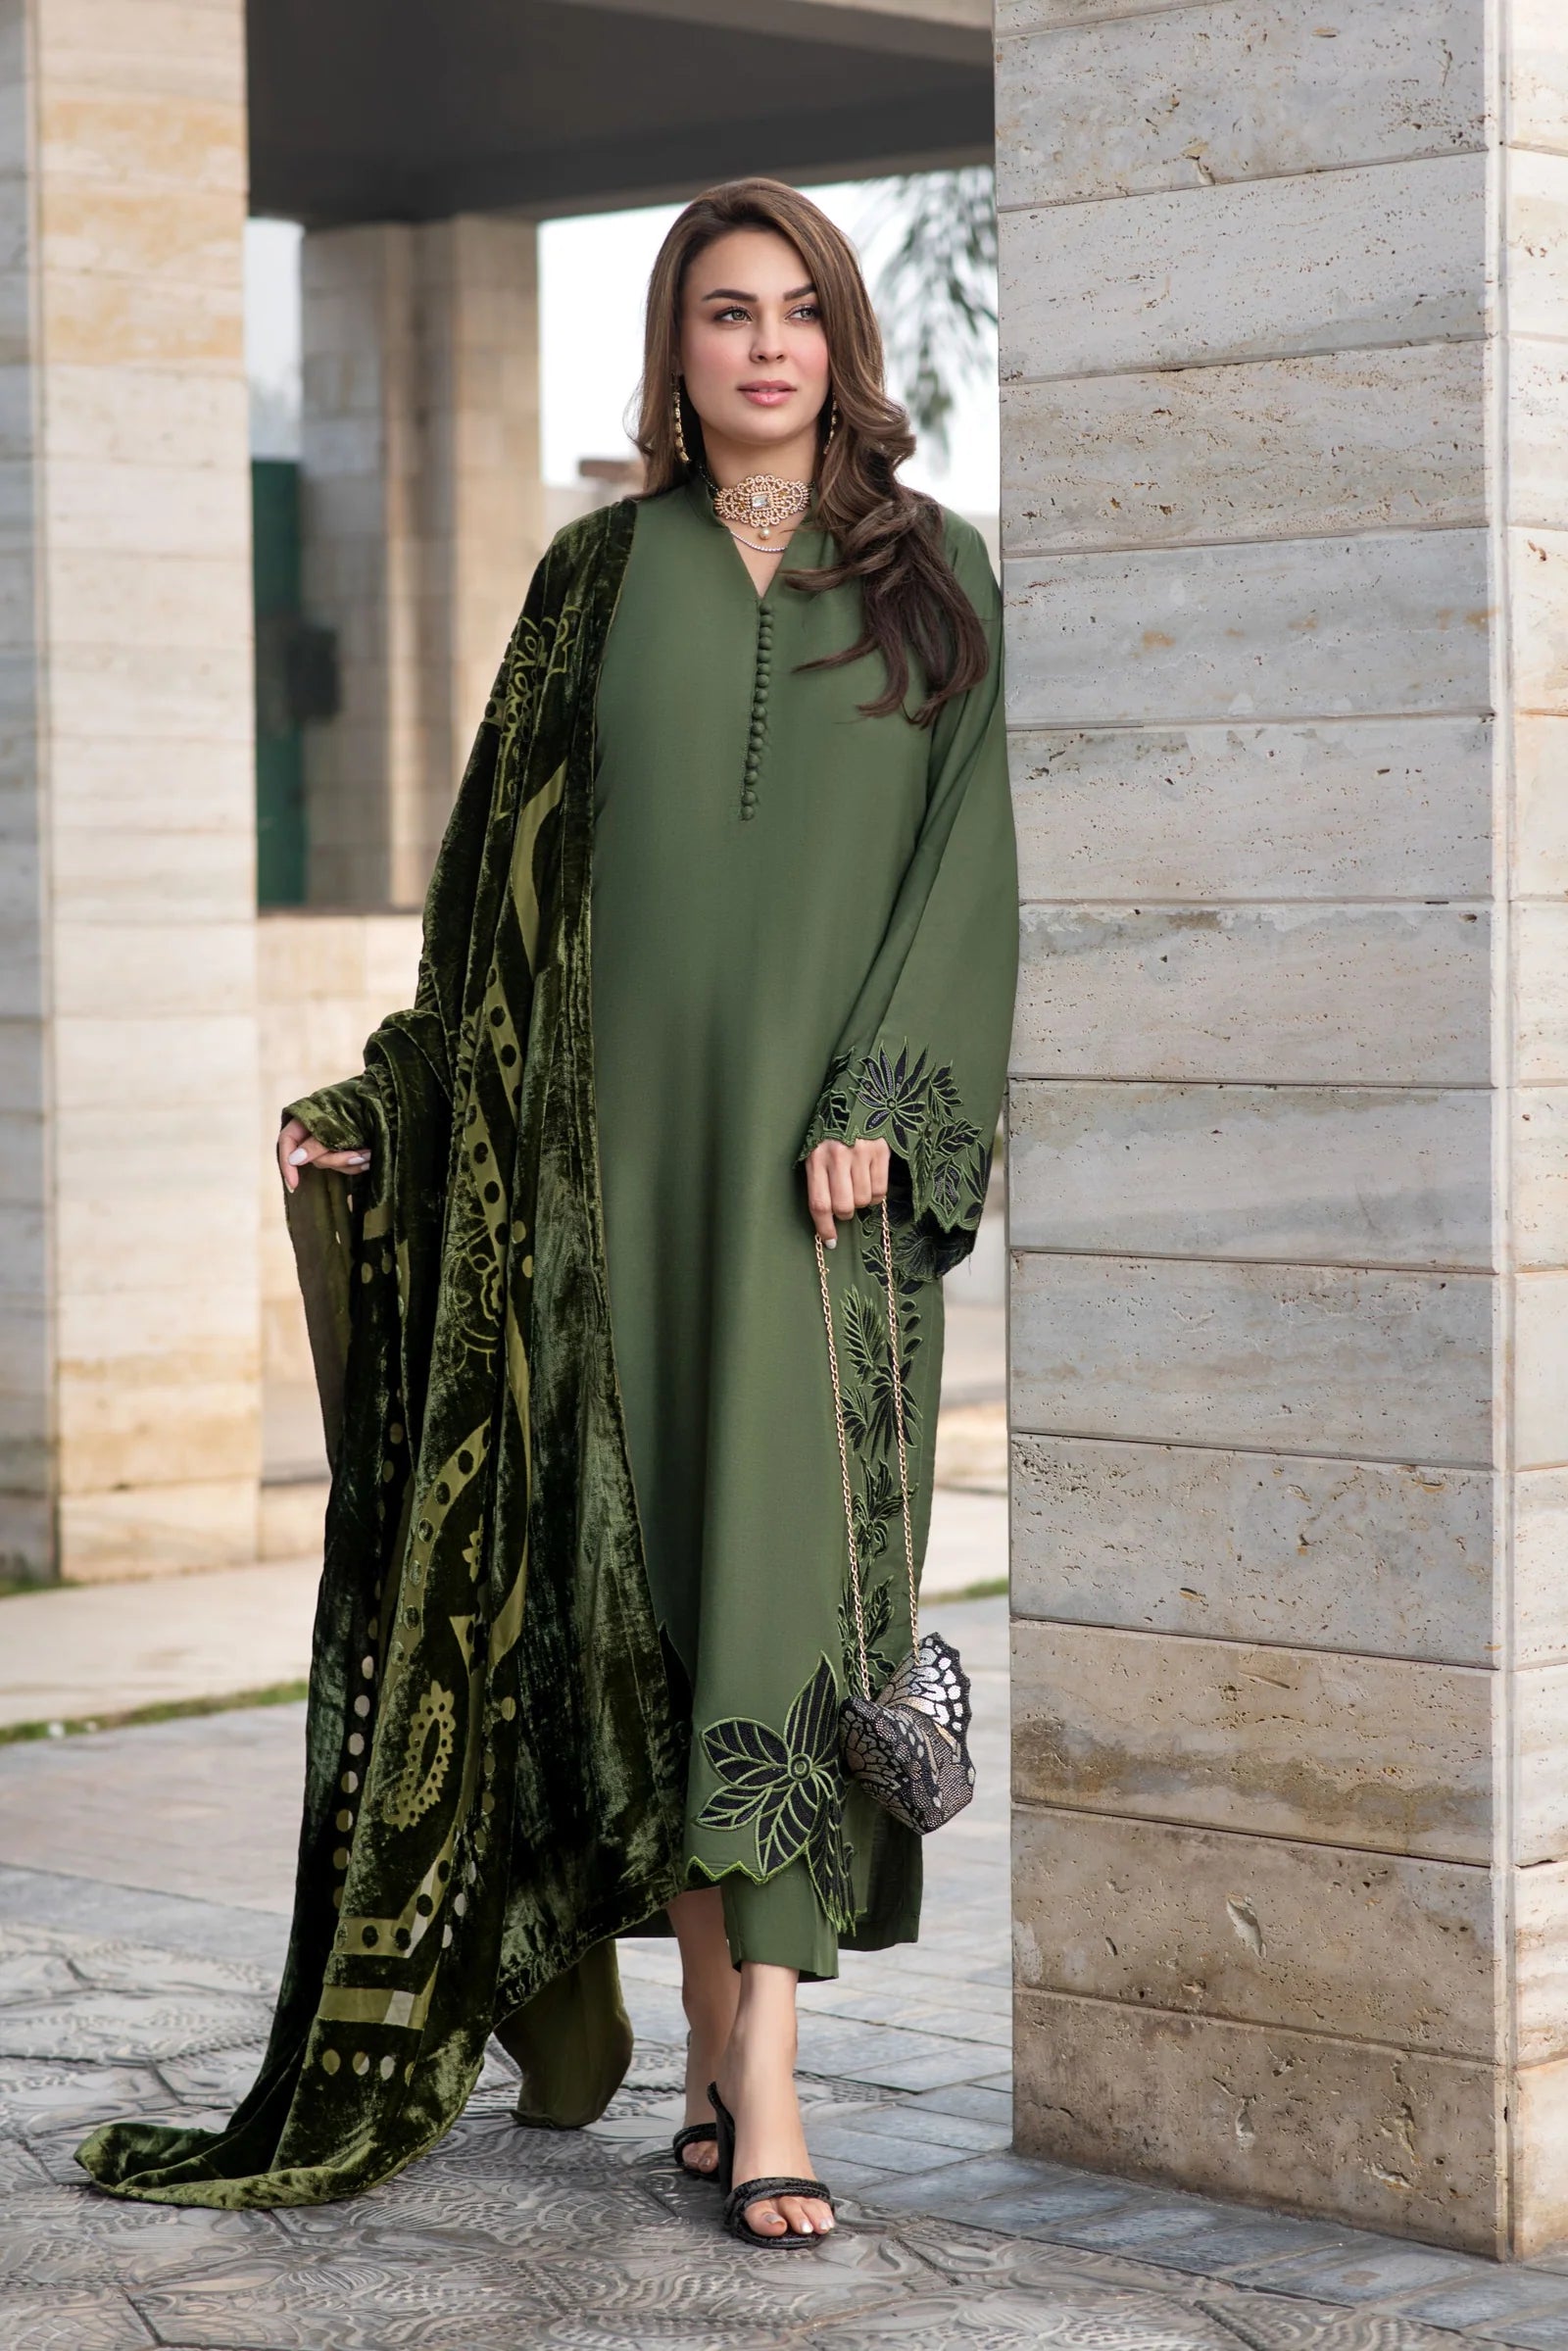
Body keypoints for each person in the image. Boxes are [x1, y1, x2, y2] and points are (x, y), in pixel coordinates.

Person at [77, 177, 1018, 2249]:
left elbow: (974, 866)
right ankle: (713, 2048)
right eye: (723, 312)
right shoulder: (591, 581)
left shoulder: (932, 577)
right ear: (674, 348)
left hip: (823, 1195)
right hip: (606, 1192)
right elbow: (483, 913)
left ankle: (771, 2074)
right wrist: (389, 1115)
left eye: (795, 310)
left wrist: (884, 1095)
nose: (763, 346)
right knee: (643, 1613)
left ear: (841, 342)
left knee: (785, 1602)